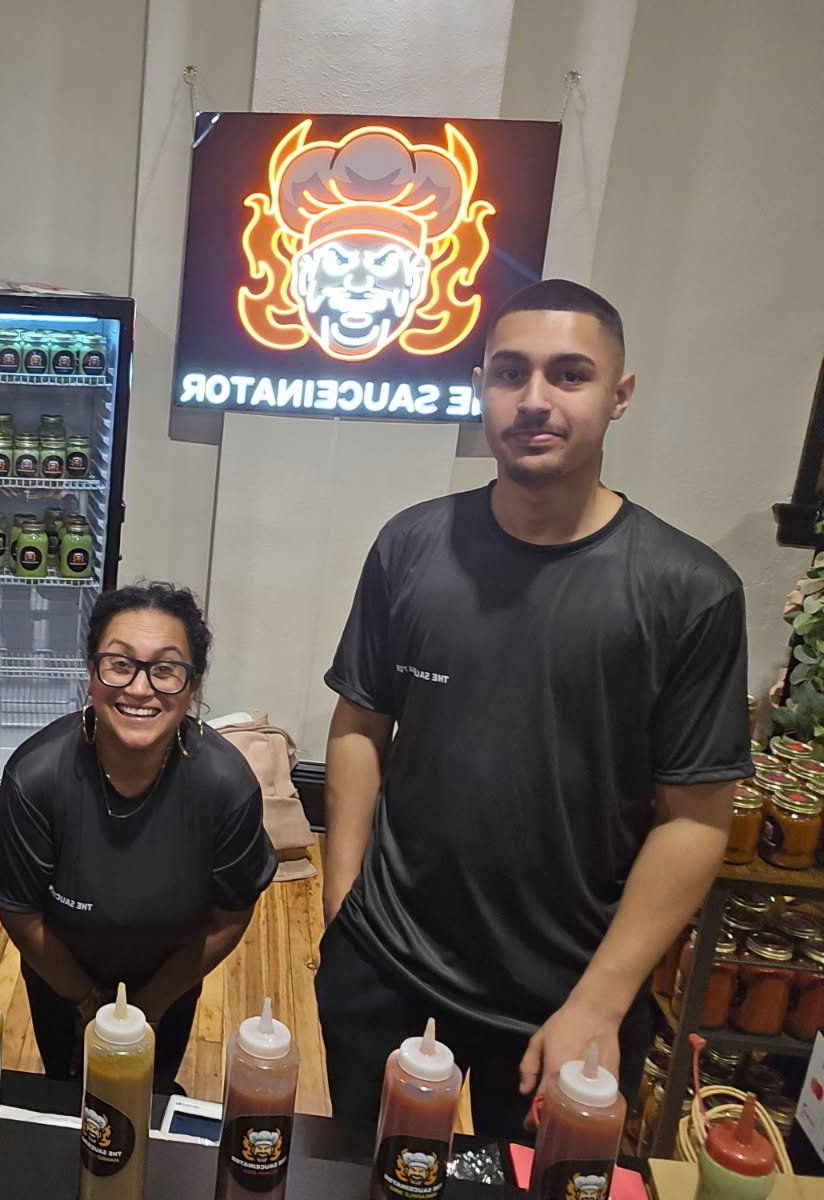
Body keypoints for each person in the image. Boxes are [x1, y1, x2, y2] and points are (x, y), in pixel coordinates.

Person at [316, 279, 751, 1139]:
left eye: (570, 374)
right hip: (388, 966)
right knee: (376, 1175)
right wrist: (342, 907)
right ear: (481, 384)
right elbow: (362, 724)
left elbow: (697, 817)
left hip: (567, 992)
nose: (534, 399)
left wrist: (602, 999)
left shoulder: (688, 590)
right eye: (509, 373)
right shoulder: (411, 545)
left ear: (619, 396)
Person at [0, 583, 277, 1091]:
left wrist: (153, 1005)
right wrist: (86, 1001)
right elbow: (20, 910)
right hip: (59, 973)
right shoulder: (36, 778)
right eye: (119, 664)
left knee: (149, 1094)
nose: (140, 689)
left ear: (193, 687)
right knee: (67, 1090)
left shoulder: (226, 787)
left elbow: (231, 915)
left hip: (172, 974)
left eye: (165, 669)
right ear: (91, 677)